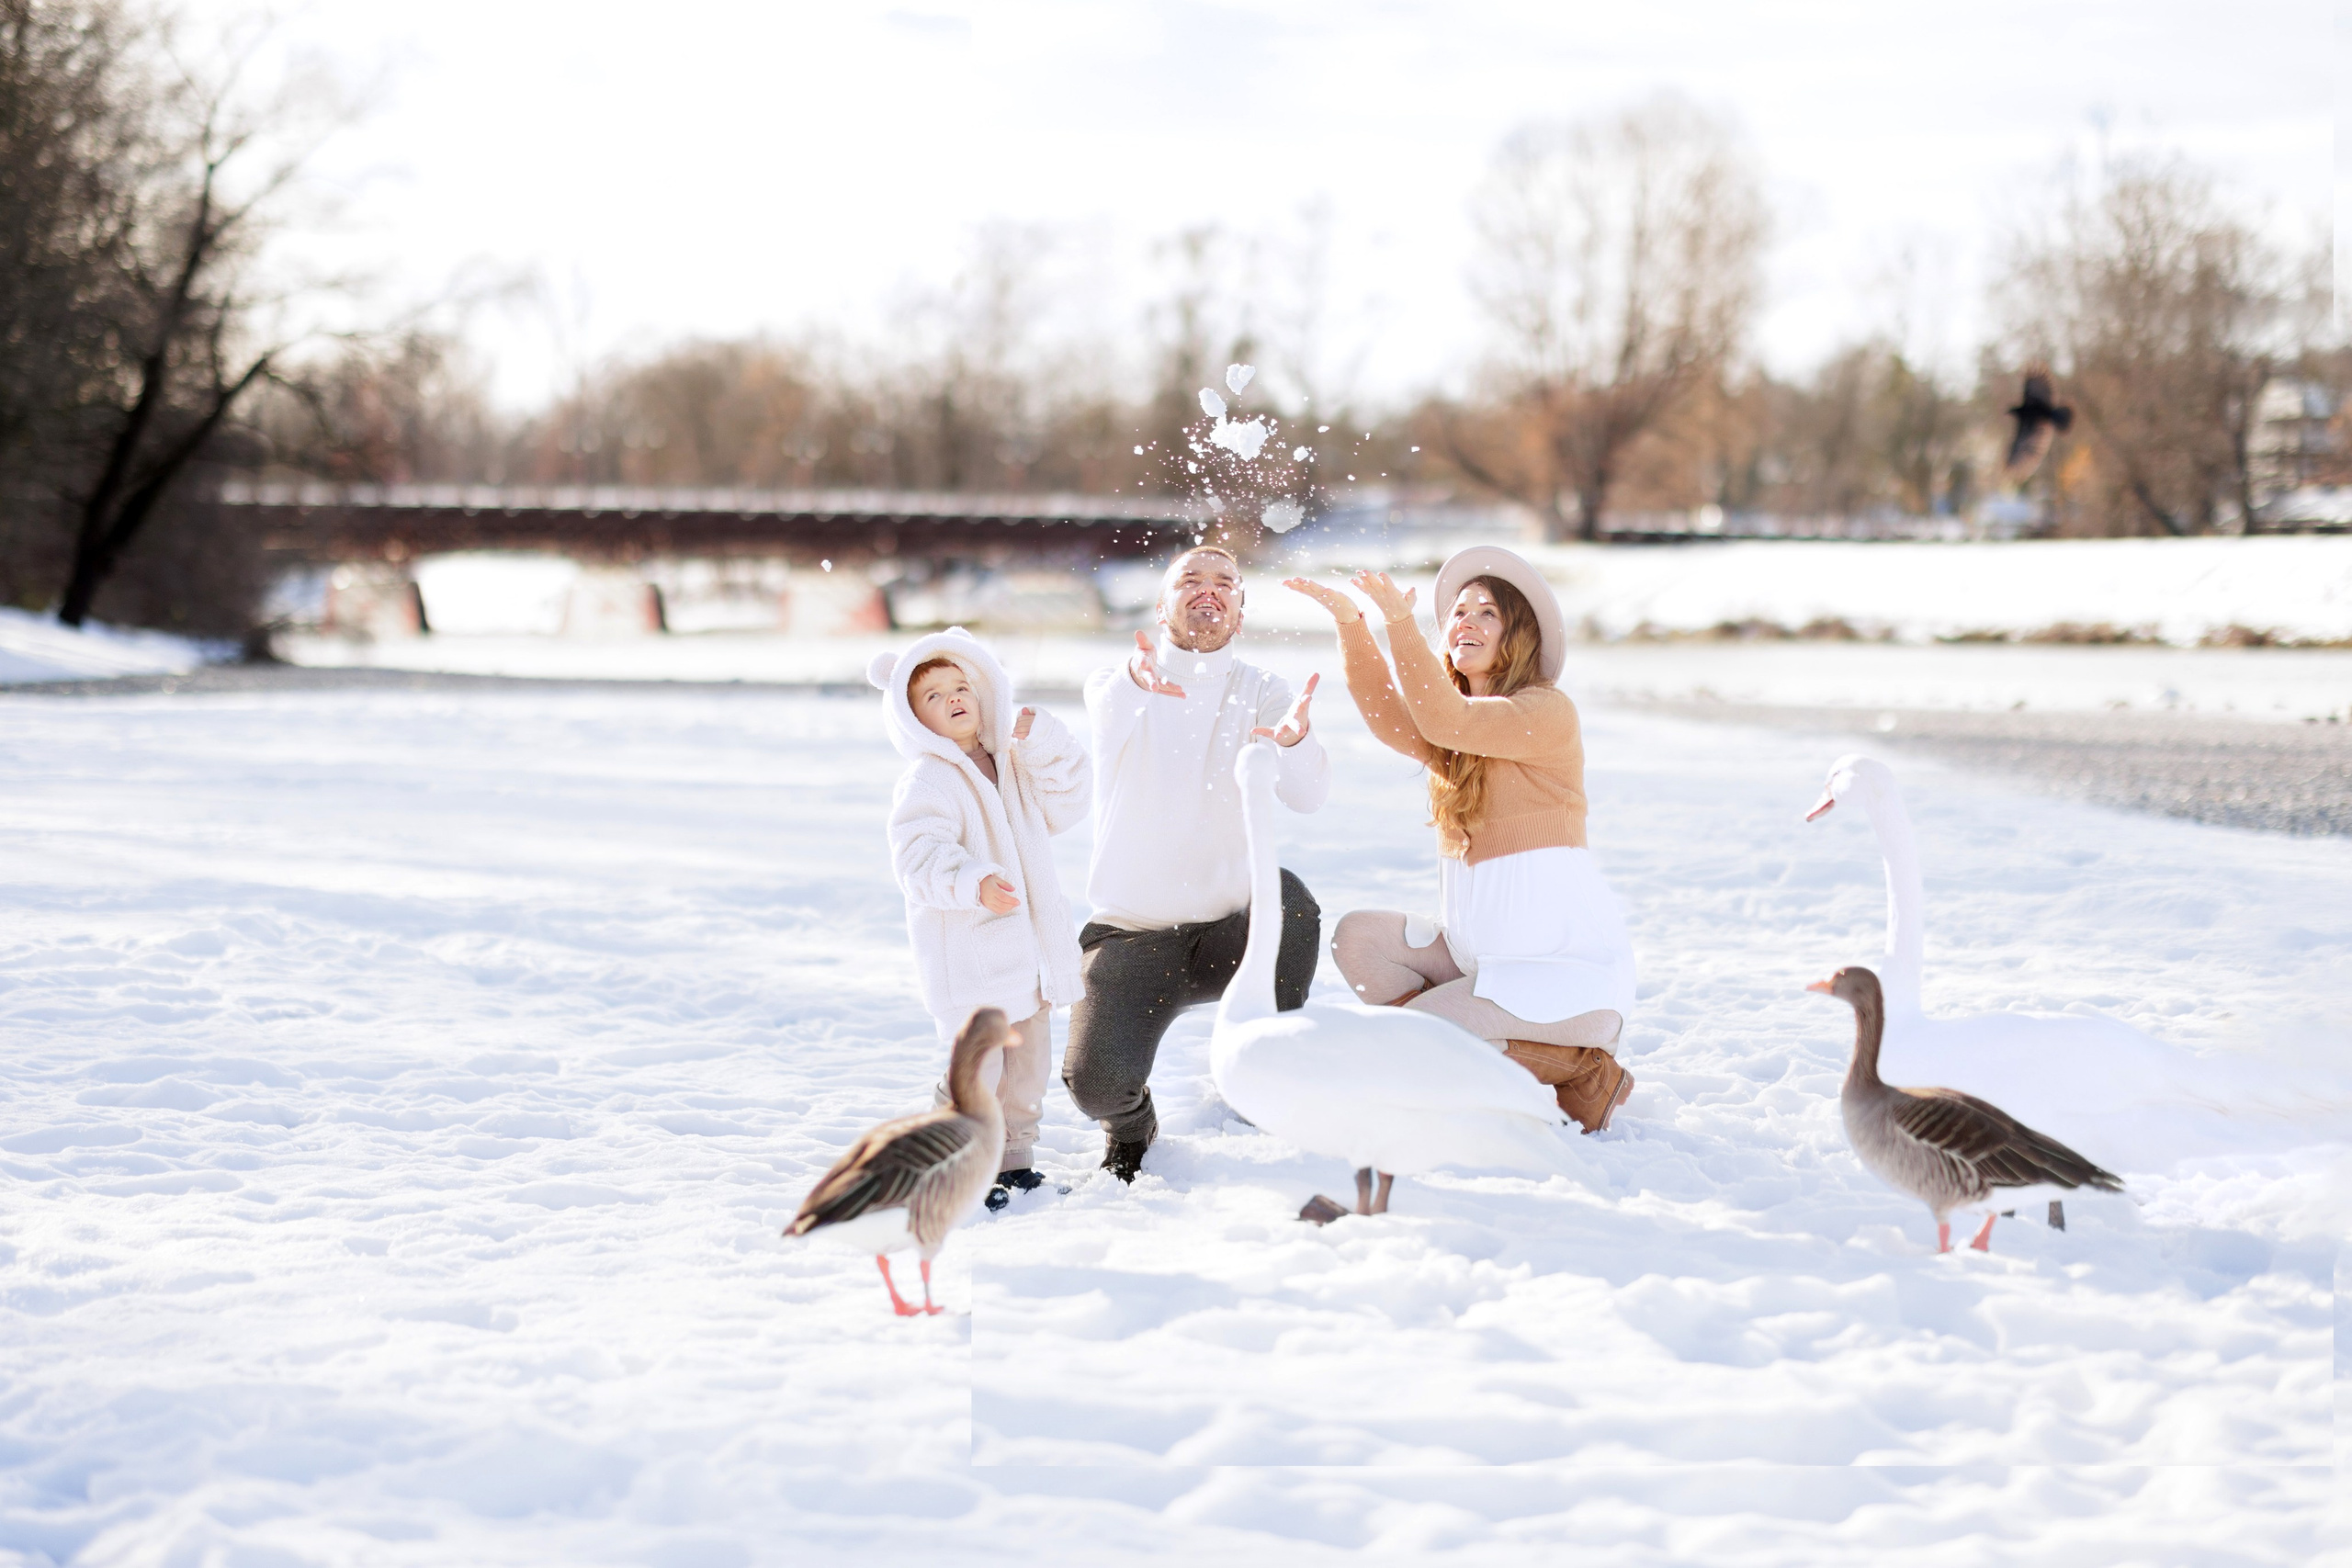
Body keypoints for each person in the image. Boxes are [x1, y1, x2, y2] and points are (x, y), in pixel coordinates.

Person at [1286, 546, 1639, 1133]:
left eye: (1487, 613)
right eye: (1458, 612)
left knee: (1410, 1039)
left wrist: (1400, 622)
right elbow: (1389, 714)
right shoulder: (1456, 740)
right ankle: (1450, 1059)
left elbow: (1445, 718)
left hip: (1565, 981)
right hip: (1480, 958)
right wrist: (1353, 624)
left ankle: (1585, 1071)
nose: (1466, 622)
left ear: (1517, 636)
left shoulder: (1546, 712)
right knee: (1359, 939)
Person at [1067, 545, 1329, 1181]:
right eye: (1190, 579)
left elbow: (1308, 795)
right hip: (1132, 937)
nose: (1208, 590)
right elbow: (1112, 712)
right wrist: (1139, 677)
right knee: (1094, 1084)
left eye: (1225, 582)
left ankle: (1259, 1070)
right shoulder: (1117, 683)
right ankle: (1133, 1127)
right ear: (1162, 607)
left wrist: (1295, 742)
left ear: (1240, 610)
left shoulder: (1264, 690)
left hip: (1228, 934)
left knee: (1289, 898)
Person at [869, 627, 1091, 1210]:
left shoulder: (1011, 761)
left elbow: (1069, 801)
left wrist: (1043, 740)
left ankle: (1013, 1165)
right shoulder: (929, 780)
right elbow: (918, 856)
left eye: (961, 686)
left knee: (1027, 1073)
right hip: (972, 959)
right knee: (979, 1073)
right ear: (913, 720)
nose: (953, 699)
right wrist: (972, 881)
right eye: (933, 696)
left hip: (1030, 955)